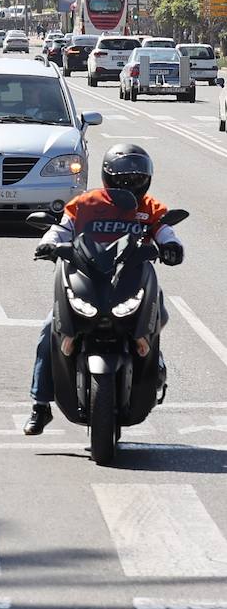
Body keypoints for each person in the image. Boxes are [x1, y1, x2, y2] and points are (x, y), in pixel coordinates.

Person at [25, 144, 183, 435]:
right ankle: (40, 404)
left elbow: (164, 230)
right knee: (50, 327)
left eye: (135, 179)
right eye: (123, 178)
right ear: (108, 177)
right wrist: (47, 242)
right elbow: (63, 227)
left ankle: (152, 361)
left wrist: (172, 246)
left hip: (132, 280)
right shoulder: (86, 202)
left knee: (159, 313)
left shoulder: (149, 208)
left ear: (146, 179)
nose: (129, 184)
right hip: (90, 277)